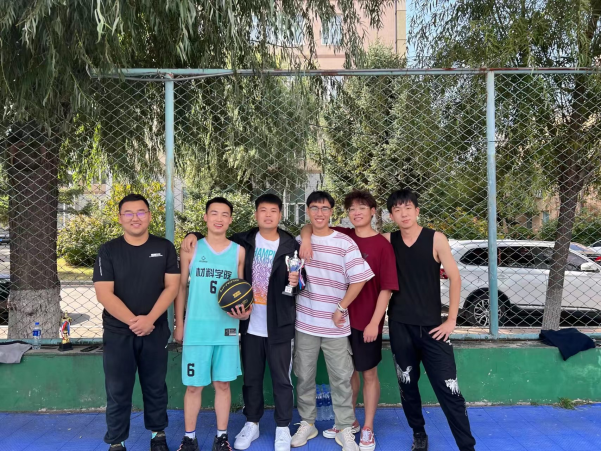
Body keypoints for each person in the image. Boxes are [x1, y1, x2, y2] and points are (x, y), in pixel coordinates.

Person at [182, 193, 305, 451]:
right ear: (256, 214)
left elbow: (301, 283)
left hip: (279, 324)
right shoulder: (244, 241)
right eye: (263, 210)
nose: (268, 215)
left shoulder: (291, 245)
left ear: (280, 215)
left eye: (273, 210)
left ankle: (283, 427)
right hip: (248, 324)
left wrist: (297, 282)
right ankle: (252, 422)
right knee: (251, 378)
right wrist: (192, 233)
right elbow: (215, 236)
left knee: (282, 379)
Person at [299, 190, 398, 451]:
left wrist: (375, 322)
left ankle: (367, 427)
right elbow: (311, 225)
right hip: (340, 322)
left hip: (364, 319)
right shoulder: (344, 234)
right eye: (352, 208)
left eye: (362, 208)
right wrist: (306, 239)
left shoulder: (382, 245)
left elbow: (386, 288)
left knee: (368, 373)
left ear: (373, 211)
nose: (357, 212)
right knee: (347, 373)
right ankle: (348, 421)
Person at [383, 189, 476, 451]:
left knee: (450, 390)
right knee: (407, 385)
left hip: (434, 328)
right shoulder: (388, 240)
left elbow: (455, 278)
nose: (404, 214)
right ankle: (419, 433)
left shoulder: (436, 239)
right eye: (398, 210)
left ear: (417, 211)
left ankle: (467, 446)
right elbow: (358, 236)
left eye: (408, 208)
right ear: (391, 215)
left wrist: (451, 320)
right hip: (401, 325)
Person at [93, 194, 180, 451]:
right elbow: (104, 293)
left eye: (141, 212)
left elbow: (172, 287)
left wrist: (150, 320)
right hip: (118, 332)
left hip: (155, 330)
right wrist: (135, 322)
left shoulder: (165, 247)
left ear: (149, 216)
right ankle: (116, 441)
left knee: (155, 386)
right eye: (128, 213)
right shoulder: (108, 250)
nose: (135, 218)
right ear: (120, 218)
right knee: (118, 389)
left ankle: (158, 435)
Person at [290, 191, 374, 451]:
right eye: (314, 208)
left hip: (336, 326)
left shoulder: (344, 243)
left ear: (331, 212)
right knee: (304, 376)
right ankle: (308, 423)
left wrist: (341, 307)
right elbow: (292, 278)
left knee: (341, 379)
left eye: (325, 208)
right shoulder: (298, 242)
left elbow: (360, 278)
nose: (319, 213)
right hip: (305, 322)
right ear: (307, 211)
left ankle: (345, 427)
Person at [174, 197, 249, 451]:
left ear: (230, 219)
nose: (219, 218)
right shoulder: (191, 248)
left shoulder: (238, 252)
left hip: (226, 329)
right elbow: (181, 287)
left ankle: (221, 438)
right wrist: (180, 323)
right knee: (194, 386)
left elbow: (242, 291)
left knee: (223, 384)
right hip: (197, 329)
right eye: (214, 213)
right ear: (205, 217)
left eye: (224, 214)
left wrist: (244, 312)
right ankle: (189, 438)